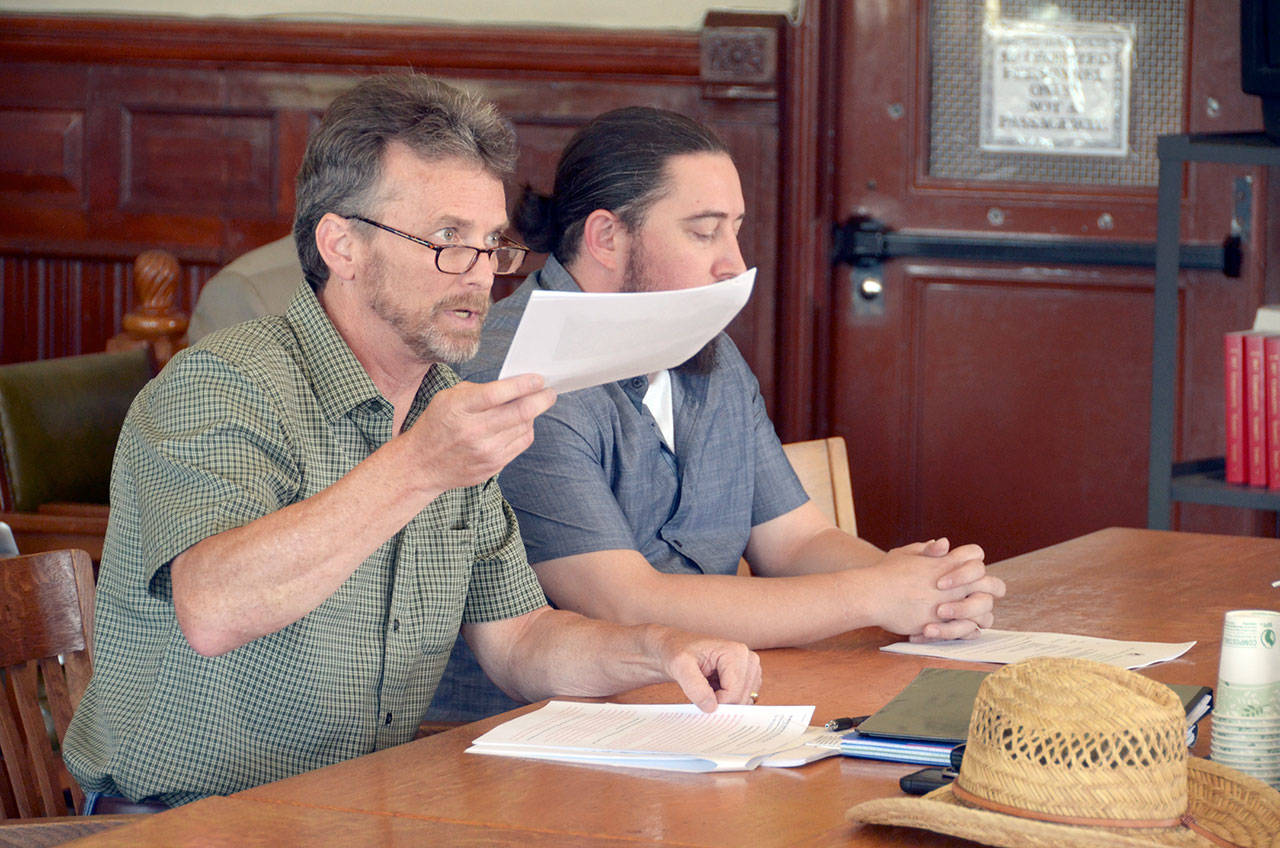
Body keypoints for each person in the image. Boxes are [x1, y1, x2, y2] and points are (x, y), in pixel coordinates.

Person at [62, 76, 760, 810]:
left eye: (491, 243)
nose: (481, 276)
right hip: (181, 824)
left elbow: (520, 639)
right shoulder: (224, 384)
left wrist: (659, 648)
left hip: (361, 812)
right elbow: (212, 609)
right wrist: (421, 466)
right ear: (342, 246)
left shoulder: (443, 409)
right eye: (446, 240)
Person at [430, 106, 1005, 720]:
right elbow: (624, 601)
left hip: (709, 707)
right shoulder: (521, 372)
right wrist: (877, 593)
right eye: (705, 233)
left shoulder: (709, 348)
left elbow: (795, 540)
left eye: (735, 229)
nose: (732, 262)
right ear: (606, 238)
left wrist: (932, 591)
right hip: (528, 738)